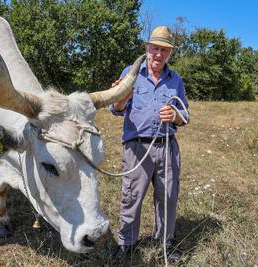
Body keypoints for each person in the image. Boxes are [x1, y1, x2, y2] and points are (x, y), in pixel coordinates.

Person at [110, 26, 190, 263]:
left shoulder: (176, 80)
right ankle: (127, 244)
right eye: (155, 48)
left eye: (164, 50)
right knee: (131, 196)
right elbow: (115, 109)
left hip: (167, 146)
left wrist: (175, 115)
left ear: (169, 54)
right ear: (147, 49)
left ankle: (165, 241)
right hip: (137, 148)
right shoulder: (131, 72)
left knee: (168, 196)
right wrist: (122, 96)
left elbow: (185, 116)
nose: (158, 54)